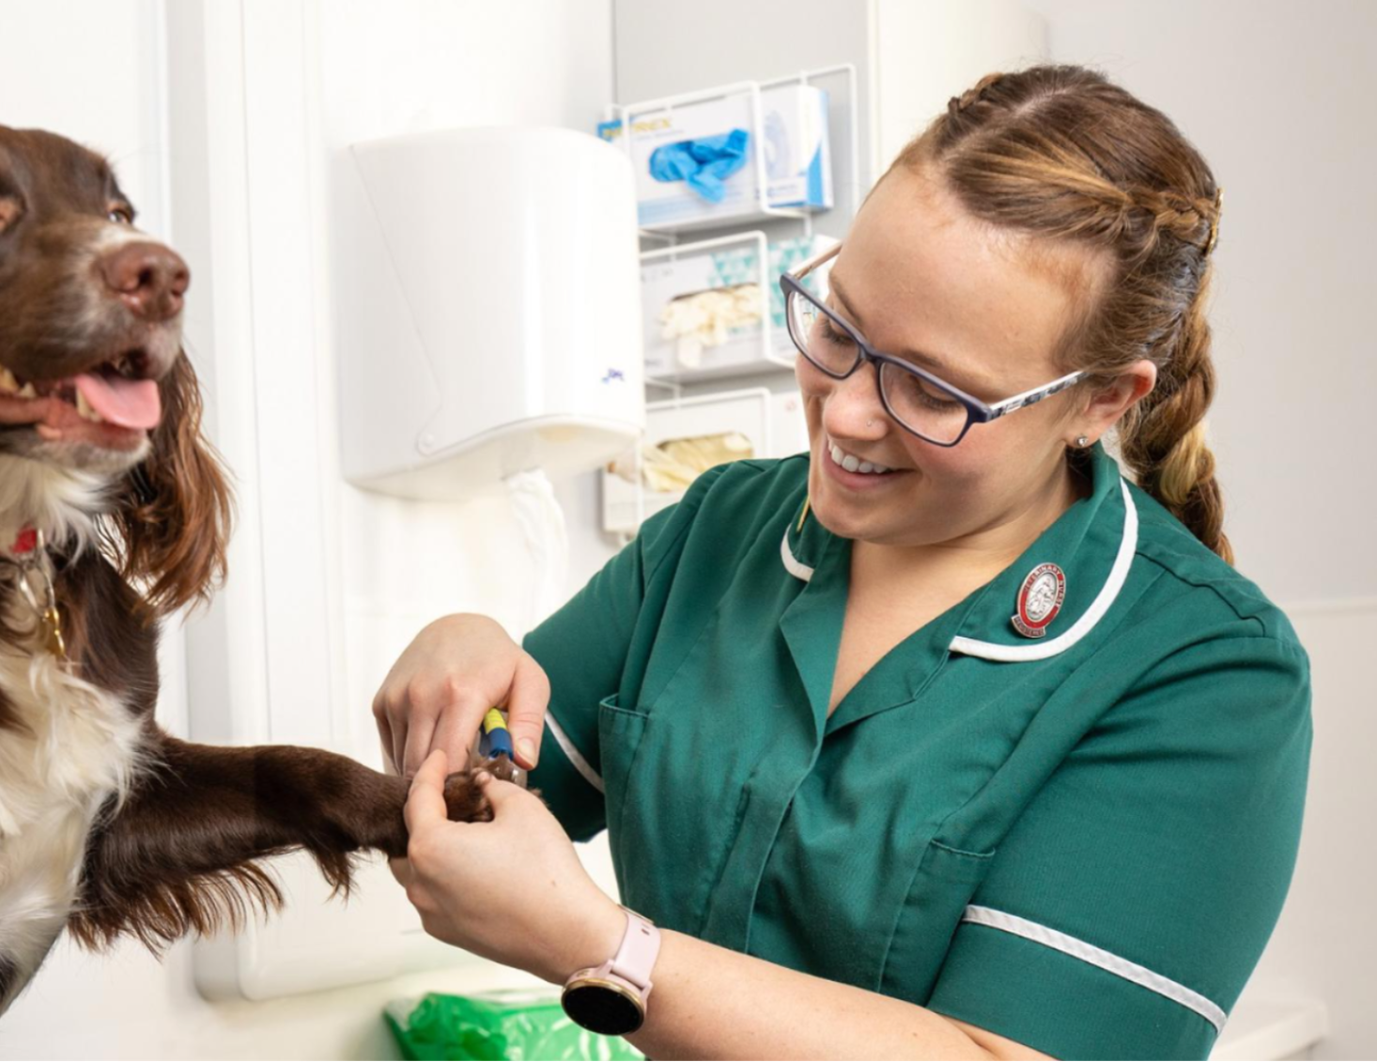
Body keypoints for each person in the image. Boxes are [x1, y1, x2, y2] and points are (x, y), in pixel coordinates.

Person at [376, 65, 1309, 1062]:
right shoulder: (722, 531)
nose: (849, 414)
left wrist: (605, 949)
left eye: (936, 391)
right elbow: (484, 795)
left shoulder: (1206, 669)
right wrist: (461, 652)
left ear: (1100, 402)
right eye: (840, 327)